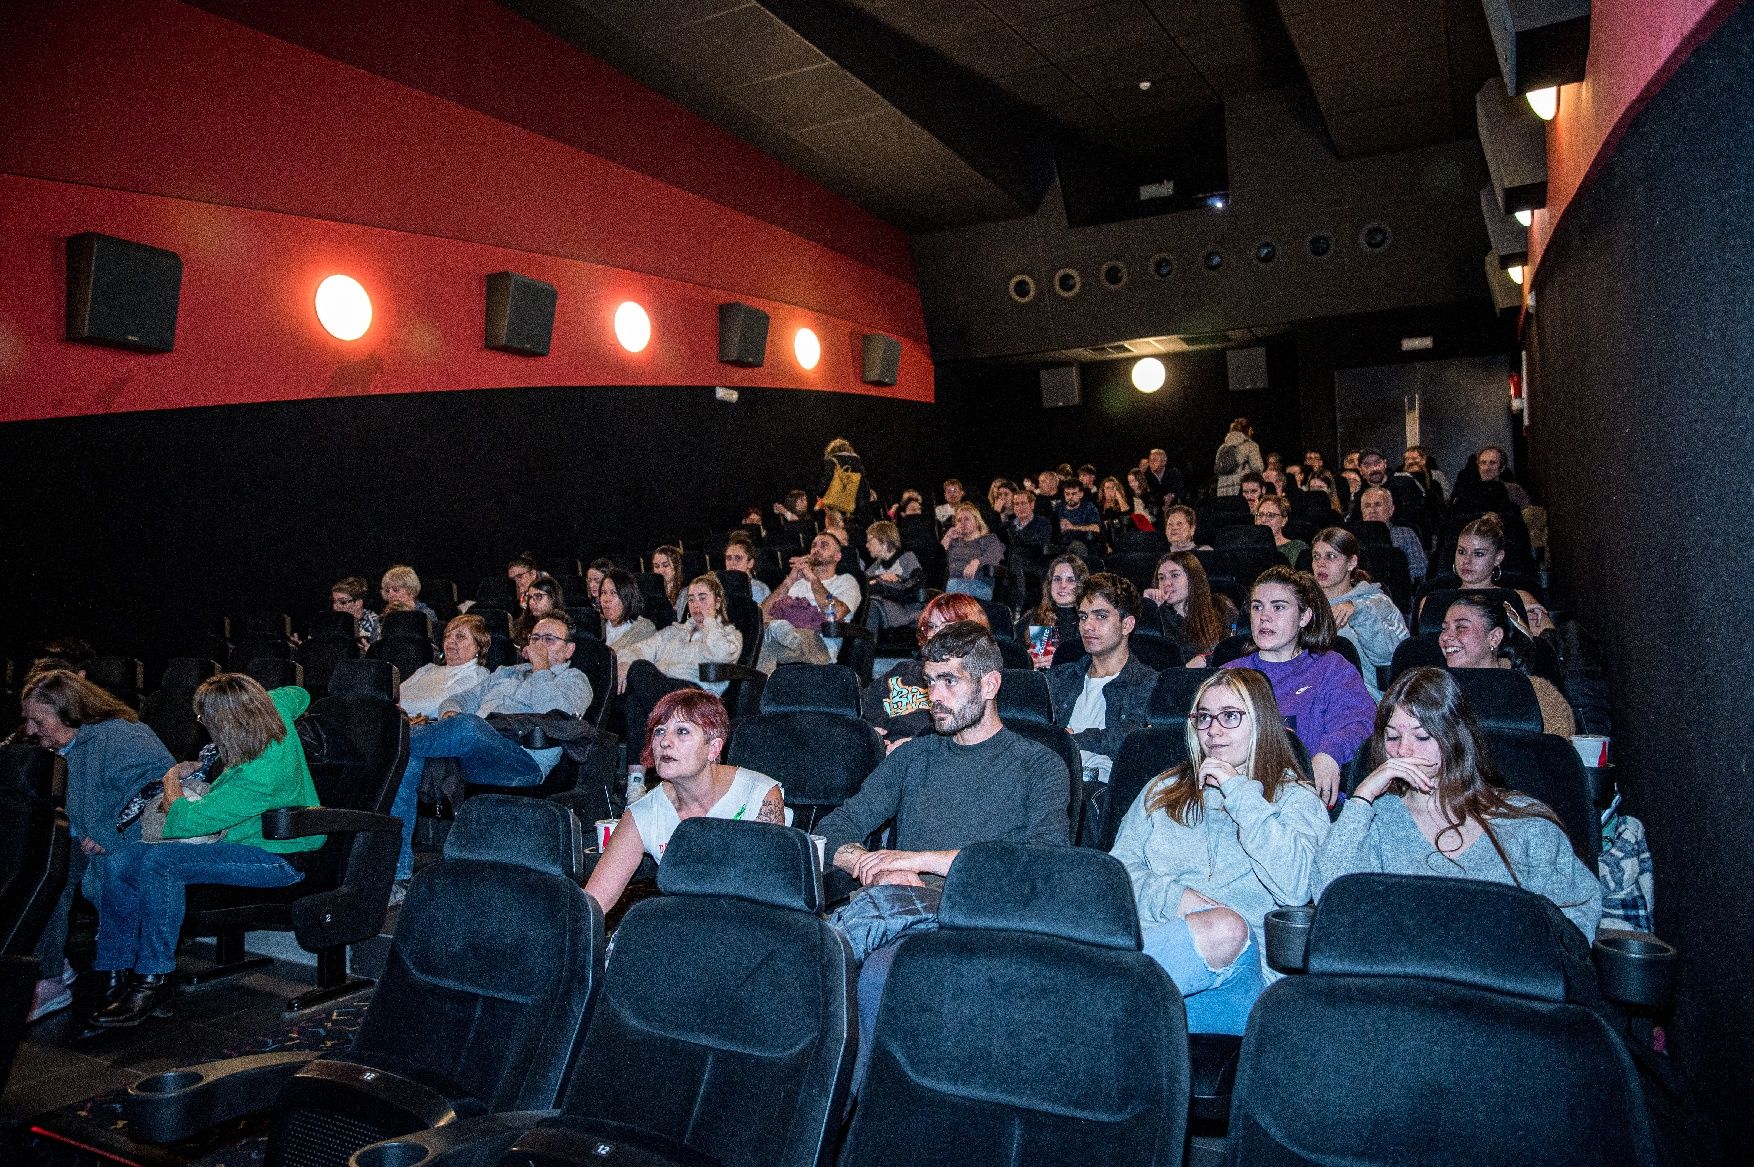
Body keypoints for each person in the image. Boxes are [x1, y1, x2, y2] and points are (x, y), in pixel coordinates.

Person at [818, 622, 1070, 1085]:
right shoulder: (913, 757)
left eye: (949, 681)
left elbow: (1043, 861)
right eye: (930, 681)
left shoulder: (1040, 765)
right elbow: (835, 827)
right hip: (894, 907)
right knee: (812, 959)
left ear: (990, 684)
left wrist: (915, 860)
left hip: (984, 919)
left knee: (874, 977)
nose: (935, 695)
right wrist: (867, 865)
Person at [91, 675, 324, 1026]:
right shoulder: (275, 708)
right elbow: (299, 692)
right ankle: (114, 967)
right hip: (243, 843)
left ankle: (154, 980)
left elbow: (185, 820)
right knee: (120, 860)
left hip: (277, 858)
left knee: (161, 862)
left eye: (205, 720)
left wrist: (172, 778)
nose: (203, 726)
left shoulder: (260, 776)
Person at [1111, 668, 1329, 1033]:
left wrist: (1240, 792)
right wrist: (1175, 898)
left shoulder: (1297, 801)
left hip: (1242, 979)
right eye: (1204, 717)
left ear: (1261, 722)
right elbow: (1116, 876)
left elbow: (1296, 888)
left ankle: (1085, 1001)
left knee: (1226, 927)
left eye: (1230, 716)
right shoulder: (1163, 790)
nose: (1213, 729)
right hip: (1157, 954)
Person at [1314, 667, 1600, 937]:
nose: (1402, 750)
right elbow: (1328, 896)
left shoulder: (1525, 825)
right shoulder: (1376, 821)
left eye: (1422, 736)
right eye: (1392, 737)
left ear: (1455, 738)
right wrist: (1362, 796)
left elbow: (1575, 922)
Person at [19, 670, 175, 1023]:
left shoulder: (122, 737)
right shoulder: (59, 749)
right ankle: (51, 969)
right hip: (82, 842)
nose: (29, 730)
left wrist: (108, 834)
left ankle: (63, 979)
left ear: (70, 712)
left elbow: (162, 793)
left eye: (38, 720)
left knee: (63, 871)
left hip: (125, 842)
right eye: (27, 720)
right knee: (35, 866)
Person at [585, 689, 784, 913]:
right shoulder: (645, 812)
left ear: (714, 748)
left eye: (682, 731)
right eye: (659, 731)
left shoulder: (759, 795)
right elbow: (593, 903)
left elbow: (769, 893)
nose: (664, 742)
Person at [1224, 567, 1376, 807]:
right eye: (1257, 607)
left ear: (1304, 617)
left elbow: (1360, 722)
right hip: (1238, 799)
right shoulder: (1230, 674)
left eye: (1278, 607)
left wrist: (1330, 754)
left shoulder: (1331, 668)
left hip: (1307, 801)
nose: (1264, 617)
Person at [402, 612, 592, 792]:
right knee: (410, 760)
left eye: (549, 639)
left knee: (468, 725)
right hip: (479, 745)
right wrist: (449, 712)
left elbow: (559, 716)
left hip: (523, 758)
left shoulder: (575, 680)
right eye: (535, 638)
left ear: (569, 649)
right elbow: (463, 698)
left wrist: (541, 668)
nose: (539, 645)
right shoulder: (507, 672)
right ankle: (396, 826)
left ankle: (393, 739)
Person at [390, 615, 494, 885]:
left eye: (461, 637)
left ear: (478, 645)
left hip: (437, 738)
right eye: (448, 636)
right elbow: (393, 696)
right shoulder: (427, 669)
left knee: (404, 761)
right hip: (403, 730)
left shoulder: (478, 675)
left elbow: (440, 705)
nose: (452, 642)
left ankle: (399, 867)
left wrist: (404, 709)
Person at [1047, 573, 1156, 785]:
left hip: (1105, 792)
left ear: (1127, 625)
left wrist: (1072, 740)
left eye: (1101, 616)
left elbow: (1131, 737)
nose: (1088, 626)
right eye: (1083, 617)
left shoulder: (1147, 683)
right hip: (1052, 781)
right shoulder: (1059, 677)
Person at [862, 592, 988, 751]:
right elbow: (862, 711)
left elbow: (972, 737)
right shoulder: (903, 671)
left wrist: (918, 746)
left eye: (948, 625)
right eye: (932, 626)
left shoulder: (977, 680)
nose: (936, 633)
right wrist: (868, 734)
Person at [1438, 594, 1576, 735]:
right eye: (1444, 628)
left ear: (1494, 637)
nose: (1445, 636)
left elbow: (1558, 750)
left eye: (1461, 627)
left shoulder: (1537, 695)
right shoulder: (1432, 691)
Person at [1311, 528, 1408, 700]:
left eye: (1331, 556)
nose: (1321, 563)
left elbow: (1393, 660)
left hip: (1364, 700)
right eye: (1316, 556)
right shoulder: (1303, 608)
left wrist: (1360, 614)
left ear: (1352, 562)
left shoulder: (1378, 603)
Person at [621, 574, 743, 696]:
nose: (696, 605)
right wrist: (625, 663)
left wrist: (710, 620)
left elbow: (719, 656)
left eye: (702, 598)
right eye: (691, 599)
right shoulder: (674, 632)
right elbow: (640, 648)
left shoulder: (730, 635)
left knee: (639, 670)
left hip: (697, 694)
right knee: (632, 698)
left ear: (717, 603)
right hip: (665, 688)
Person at [764, 531, 862, 658]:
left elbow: (836, 613)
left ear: (837, 556)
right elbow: (762, 614)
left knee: (772, 639)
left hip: (820, 645)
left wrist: (813, 579)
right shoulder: (797, 583)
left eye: (824, 545)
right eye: (813, 546)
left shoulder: (846, 581)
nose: (816, 549)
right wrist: (790, 581)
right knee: (765, 636)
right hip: (783, 639)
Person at [1142, 551, 1234, 664]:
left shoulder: (1221, 606)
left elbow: (1235, 646)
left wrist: (1206, 659)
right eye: (1161, 578)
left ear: (1193, 578)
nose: (1166, 583)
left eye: (1174, 575)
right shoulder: (1158, 614)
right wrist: (1148, 607)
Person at [1017, 553, 1087, 668]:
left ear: (1081, 585)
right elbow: (1010, 655)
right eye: (1057, 579)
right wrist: (1026, 660)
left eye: (1070, 580)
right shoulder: (1034, 616)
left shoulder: (1089, 621)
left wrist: (1061, 660)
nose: (1063, 585)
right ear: (1049, 584)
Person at [862, 520, 924, 633]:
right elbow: (864, 584)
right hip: (883, 609)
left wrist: (896, 580)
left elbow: (916, 581)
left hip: (905, 610)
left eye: (869, 541)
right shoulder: (875, 566)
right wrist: (881, 577)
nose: (867, 545)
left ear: (884, 541)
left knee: (871, 605)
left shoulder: (907, 558)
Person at [1358, 485, 1429, 582]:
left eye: (1378, 504)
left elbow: (1420, 568)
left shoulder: (1406, 534)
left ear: (1391, 510)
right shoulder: (1352, 536)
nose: (1372, 510)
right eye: (1367, 506)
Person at [940, 502, 1005, 600]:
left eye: (967, 519)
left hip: (977, 585)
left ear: (977, 521)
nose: (962, 523)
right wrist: (947, 537)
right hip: (952, 588)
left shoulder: (988, 539)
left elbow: (996, 555)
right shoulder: (953, 543)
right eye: (959, 520)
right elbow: (936, 559)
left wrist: (977, 562)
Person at [598, 567, 657, 652]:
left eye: (613, 593)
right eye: (603, 593)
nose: (606, 599)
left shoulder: (644, 629)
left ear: (627, 597)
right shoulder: (597, 627)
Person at [1214, 418, 1264, 496]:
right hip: (1241, 489)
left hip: (1222, 491)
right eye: (1251, 429)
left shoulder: (1222, 448)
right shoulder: (1250, 445)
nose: (1252, 432)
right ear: (1247, 430)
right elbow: (1258, 467)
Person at [512, 573, 565, 646]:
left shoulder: (564, 627)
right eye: (530, 597)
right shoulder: (521, 625)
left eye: (538, 596)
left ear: (553, 598)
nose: (531, 602)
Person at [1254, 494, 1305, 565]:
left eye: (1270, 515)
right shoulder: (1249, 547)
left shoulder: (1296, 547)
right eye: (1260, 515)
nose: (1263, 520)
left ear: (1284, 520)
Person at [329, 576, 379, 646]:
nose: (335, 607)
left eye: (342, 602)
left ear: (358, 603)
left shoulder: (375, 623)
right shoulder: (329, 622)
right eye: (334, 601)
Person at [722, 533, 770, 603]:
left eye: (738, 558)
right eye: (728, 558)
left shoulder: (757, 589)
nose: (732, 563)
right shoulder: (721, 587)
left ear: (750, 563)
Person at [1139, 447, 1184, 514]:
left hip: (1174, 510)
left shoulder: (1174, 473)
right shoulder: (1146, 476)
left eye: (1155, 460)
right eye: (1150, 460)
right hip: (1154, 512)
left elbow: (1182, 490)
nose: (1152, 463)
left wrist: (1172, 495)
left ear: (1164, 462)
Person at [650, 545, 686, 622]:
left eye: (665, 565)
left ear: (676, 567)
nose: (660, 570)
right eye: (656, 566)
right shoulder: (650, 593)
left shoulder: (685, 593)